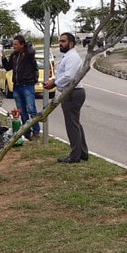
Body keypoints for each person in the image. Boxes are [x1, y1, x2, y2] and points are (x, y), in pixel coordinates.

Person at [44, 32, 87, 163]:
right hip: (70, 92)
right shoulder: (67, 56)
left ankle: (75, 156)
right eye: (60, 41)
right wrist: (53, 80)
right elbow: (63, 74)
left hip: (73, 93)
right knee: (75, 124)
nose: (60, 44)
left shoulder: (72, 57)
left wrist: (54, 83)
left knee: (72, 125)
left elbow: (69, 76)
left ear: (71, 43)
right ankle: (82, 153)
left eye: (63, 41)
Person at [1, 35, 40, 140]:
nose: (13, 46)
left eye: (16, 44)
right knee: (21, 110)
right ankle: (26, 132)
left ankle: (36, 132)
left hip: (27, 85)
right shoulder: (14, 55)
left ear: (22, 45)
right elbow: (8, 67)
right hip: (17, 86)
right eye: (13, 44)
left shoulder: (28, 54)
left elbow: (31, 52)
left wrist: (27, 46)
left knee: (31, 109)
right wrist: (3, 58)